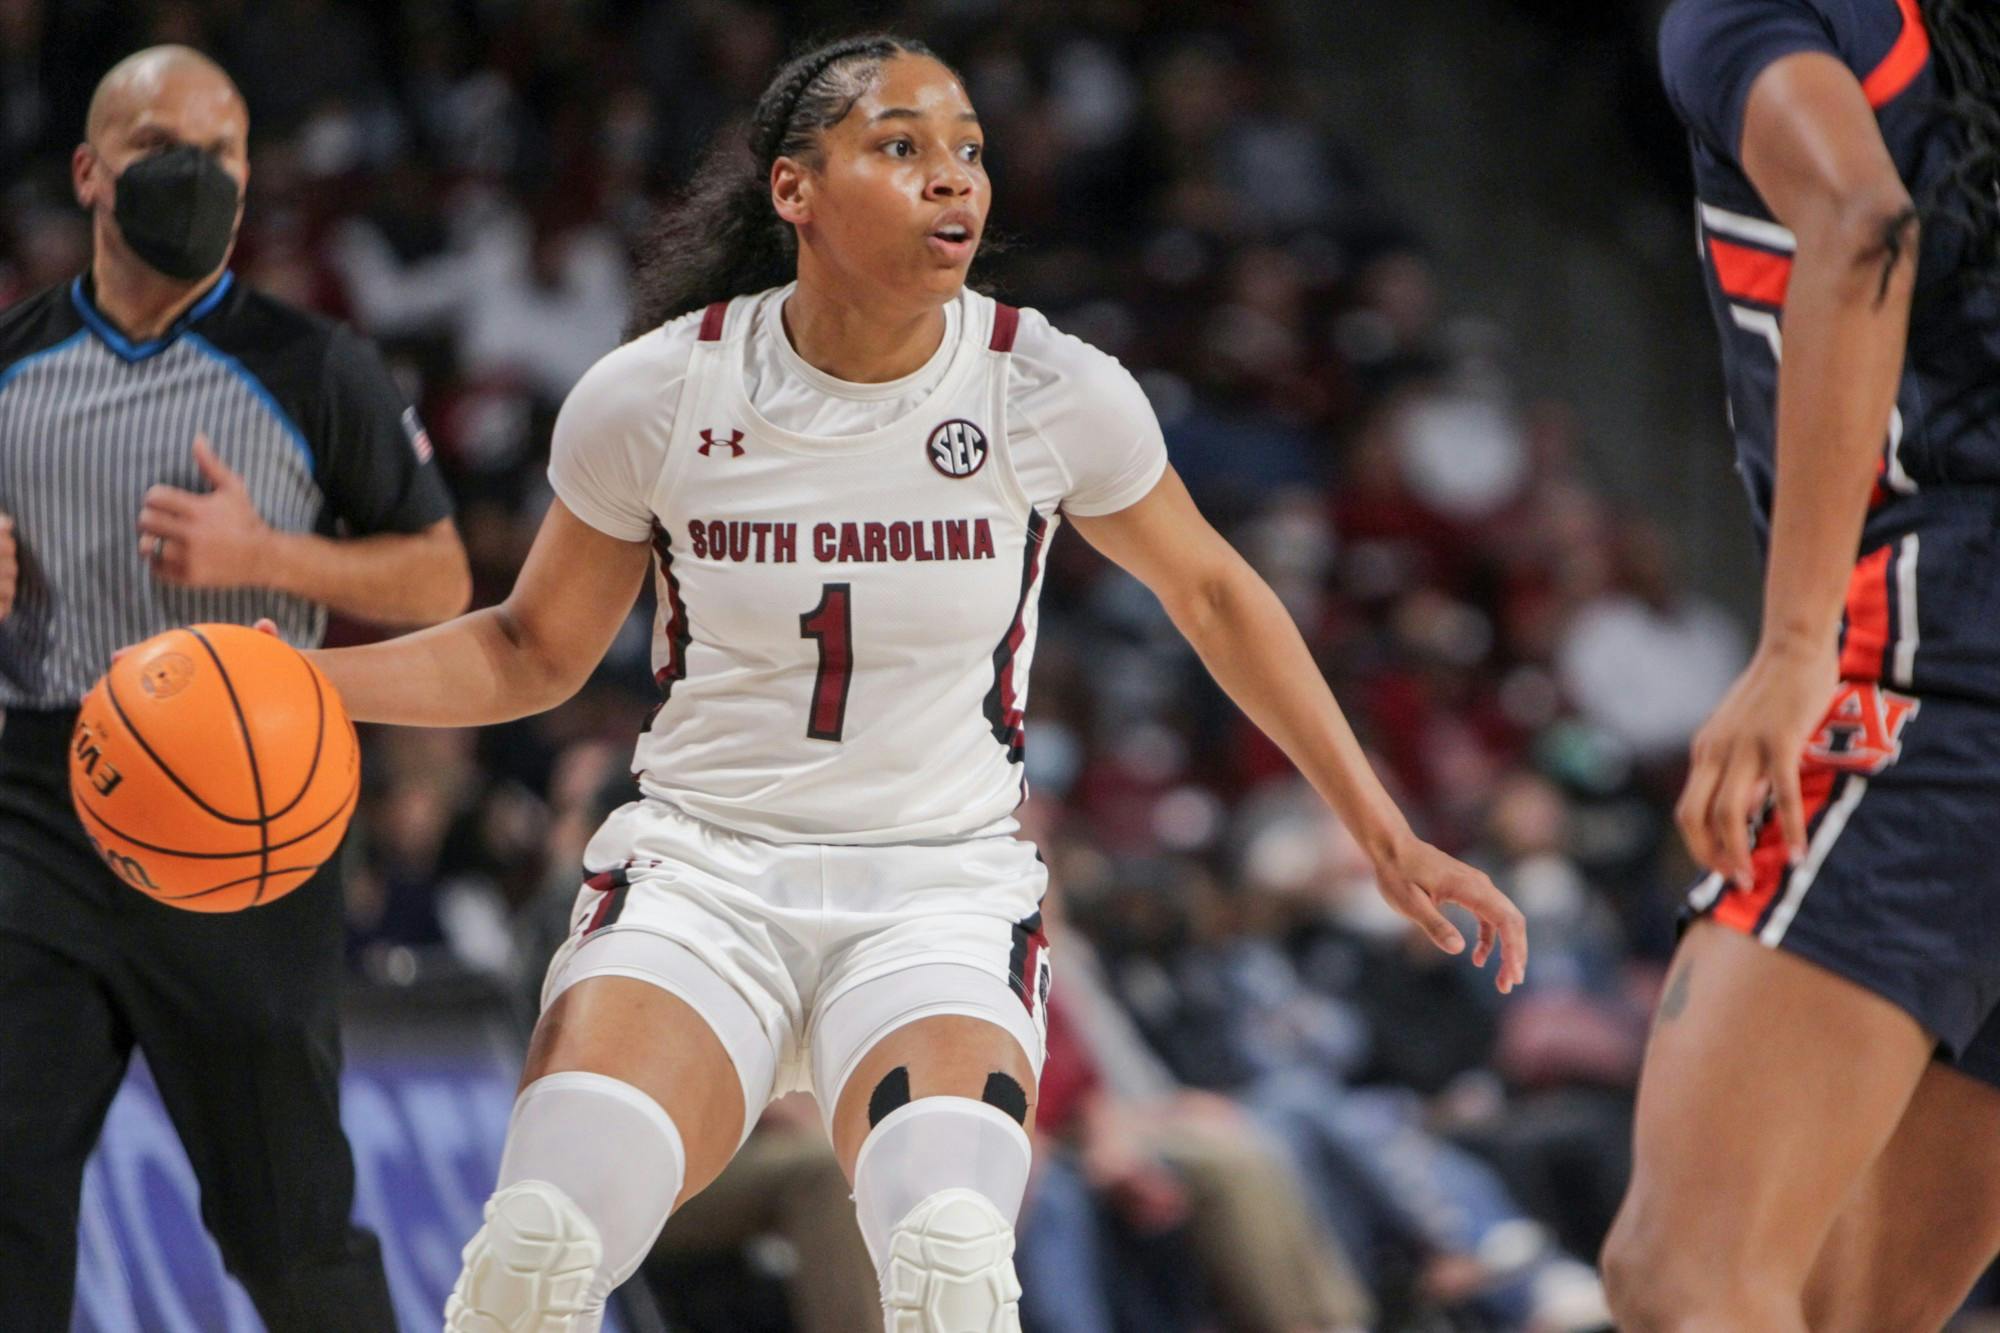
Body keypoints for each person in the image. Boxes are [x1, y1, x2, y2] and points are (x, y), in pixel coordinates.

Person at [299, 33, 1527, 1333]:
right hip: (705, 873)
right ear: (795, 190)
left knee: (947, 1272)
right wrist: (297, 680)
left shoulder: (1047, 385)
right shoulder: (656, 394)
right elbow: (524, 651)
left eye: (970, 153)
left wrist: (1384, 830)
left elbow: (1217, 595)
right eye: (903, 148)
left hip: (936, 887)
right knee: (534, 1260)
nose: (955, 181)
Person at [0, 46, 469, 1332]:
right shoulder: (10, 364)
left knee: (287, 1221)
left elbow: (439, 577)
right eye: (162, 145)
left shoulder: (317, 365)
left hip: (247, 818)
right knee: (7, 1195)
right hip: (44, 798)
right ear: (90, 171)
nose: (197, 175)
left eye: (225, 152)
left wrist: (262, 554)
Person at [1602, 2, 2000, 1329]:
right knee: (1855, 1311)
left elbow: (1857, 223)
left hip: (1947, 655)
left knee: (1685, 1276)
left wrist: (1794, 646)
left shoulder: (1750, 12)